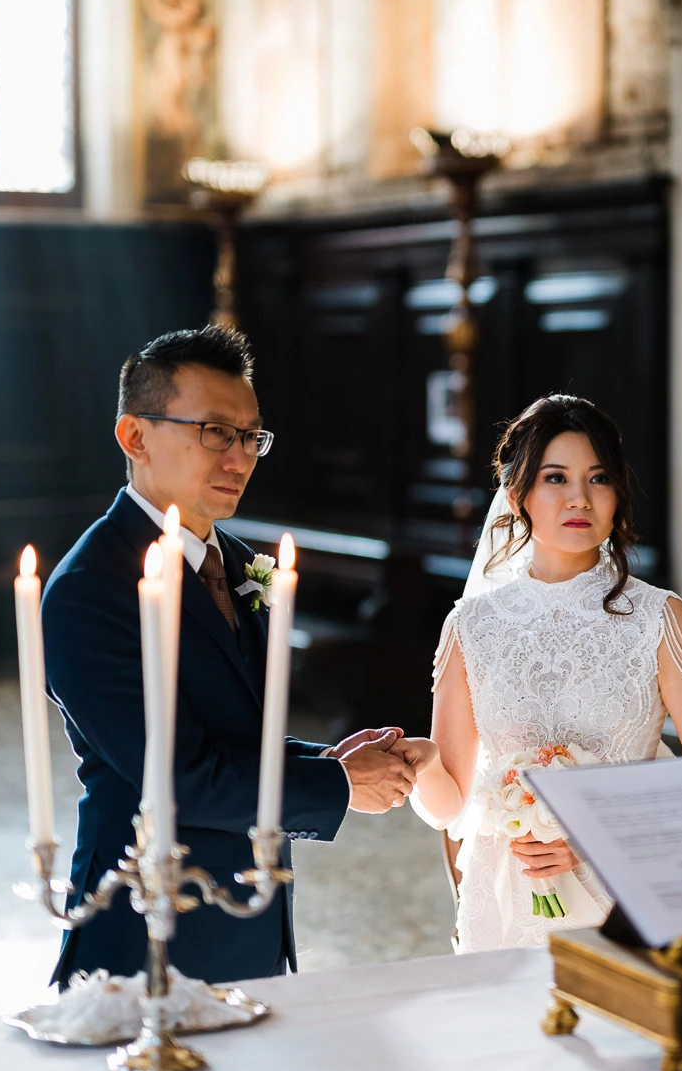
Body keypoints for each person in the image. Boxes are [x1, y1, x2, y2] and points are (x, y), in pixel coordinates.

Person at [43, 325, 423, 984]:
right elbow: (179, 777)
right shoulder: (91, 588)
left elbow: (233, 736)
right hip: (146, 923)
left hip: (247, 909)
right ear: (136, 437)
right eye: (216, 432)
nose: (239, 458)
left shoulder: (242, 564)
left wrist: (331, 758)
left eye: (251, 437)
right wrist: (338, 786)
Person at [408, 395, 682, 950]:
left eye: (599, 478)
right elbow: (450, 803)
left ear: (617, 496)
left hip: (626, 893)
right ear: (518, 496)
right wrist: (419, 767)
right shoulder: (472, 625)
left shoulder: (660, 618)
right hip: (505, 901)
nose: (579, 498)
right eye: (555, 478)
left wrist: (600, 836)